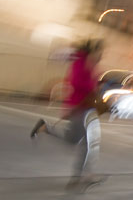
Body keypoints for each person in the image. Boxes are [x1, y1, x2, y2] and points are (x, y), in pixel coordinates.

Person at [30, 39, 104, 189]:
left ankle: (81, 177)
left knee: (87, 143)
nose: (101, 56)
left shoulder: (89, 65)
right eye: (100, 52)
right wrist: (92, 87)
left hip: (86, 109)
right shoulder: (81, 63)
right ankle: (46, 128)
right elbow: (76, 83)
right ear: (93, 52)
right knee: (79, 142)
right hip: (79, 109)